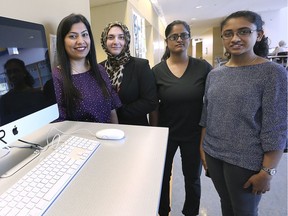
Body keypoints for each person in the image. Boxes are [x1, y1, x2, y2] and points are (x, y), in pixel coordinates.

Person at [199, 10, 287, 216]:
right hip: (214, 154)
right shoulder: (216, 74)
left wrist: (268, 171)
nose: (235, 38)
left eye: (244, 31)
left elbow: (276, 127)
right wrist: (203, 149)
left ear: (259, 35)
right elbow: (207, 115)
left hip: (246, 160)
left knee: (244, 211)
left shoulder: (273, 73)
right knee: (226, 206)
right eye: (228, 33)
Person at [150, 20, 212, 216]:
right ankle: (162, 211)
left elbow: (210, 103)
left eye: (183, 35)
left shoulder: (203, 67)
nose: (179, 39)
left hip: (193, 134)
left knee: (192, 178)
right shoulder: (157, 71)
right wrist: (154, 134)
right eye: (174, 36)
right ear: (167, 41)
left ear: (189, 39)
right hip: (166, 133)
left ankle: (191, 212)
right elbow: (154, 107)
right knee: (161, 175)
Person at [53, 14, 121, 123]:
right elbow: (59, 124)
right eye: (73, 36)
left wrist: (115, 134)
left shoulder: (100, 70)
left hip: (108, 137)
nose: (81, 41)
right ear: (62, 41)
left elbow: (112, 110)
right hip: (79, 139)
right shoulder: (57, 77)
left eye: (84, 34)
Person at [100, 21, 158, 125]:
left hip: (136, 129)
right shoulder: (99, 68)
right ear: (104, 41)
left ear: (127, 40)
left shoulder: (141, 66)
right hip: (106, 130)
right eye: (111, 37)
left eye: (121, 37)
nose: (115, 41)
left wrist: (116, 112)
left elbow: (150, 102)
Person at [0, 58, 48, 125]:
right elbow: (5, 125)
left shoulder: (38, 94)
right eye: (9, 72)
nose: (12, 75)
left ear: (24, 72)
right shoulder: (4, 100)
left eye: (16, 71)